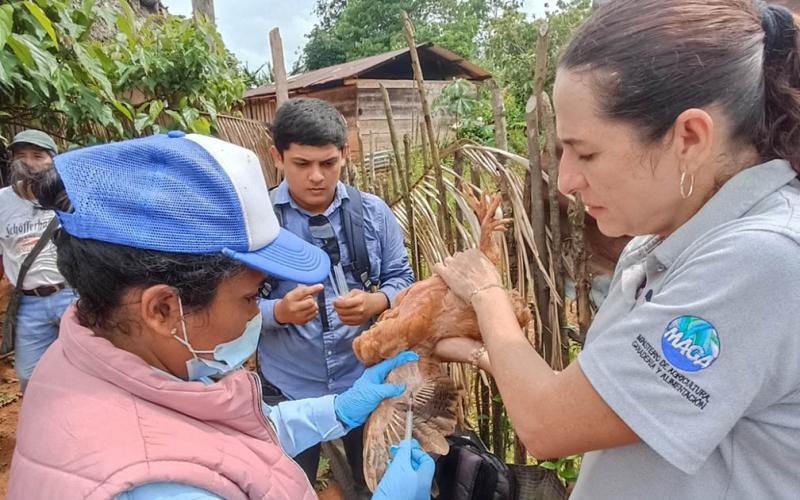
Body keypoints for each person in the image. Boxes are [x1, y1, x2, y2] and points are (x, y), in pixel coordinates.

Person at [433, 1, 800, 498]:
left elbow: (550, 424)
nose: (566, 180)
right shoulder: (658, 241)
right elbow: (605, 400)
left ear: (689, 137)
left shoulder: (765, 258)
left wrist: (486, 292)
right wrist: (485, 351)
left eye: (586, 152)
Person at [7, 132, 434, 500]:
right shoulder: (159, 488)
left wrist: (338, 409)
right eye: (251, 298)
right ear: (162, 309)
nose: (255, 314)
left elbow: (225, 442)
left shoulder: (79, 359)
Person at [258, 98, 415, 491]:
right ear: (277, 157)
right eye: (302, 164)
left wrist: (376, 302)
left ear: (345, 154)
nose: (316, 177)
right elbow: (224, 305)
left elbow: (403, 279)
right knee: (290, 489)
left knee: (374, 486)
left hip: (362, 382)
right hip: (287, 391)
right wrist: (277, 311)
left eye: (328, 163)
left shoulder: (374, 215)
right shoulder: (258, 222)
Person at [0, 130, 74, 391]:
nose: (28, 162)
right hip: (29, 304)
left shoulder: (70, 195)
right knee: (29, 377)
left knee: (88, 365)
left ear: (53, 160)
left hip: (72, 295)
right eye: (21, 156)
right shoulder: (2, 203)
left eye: (37, 155)